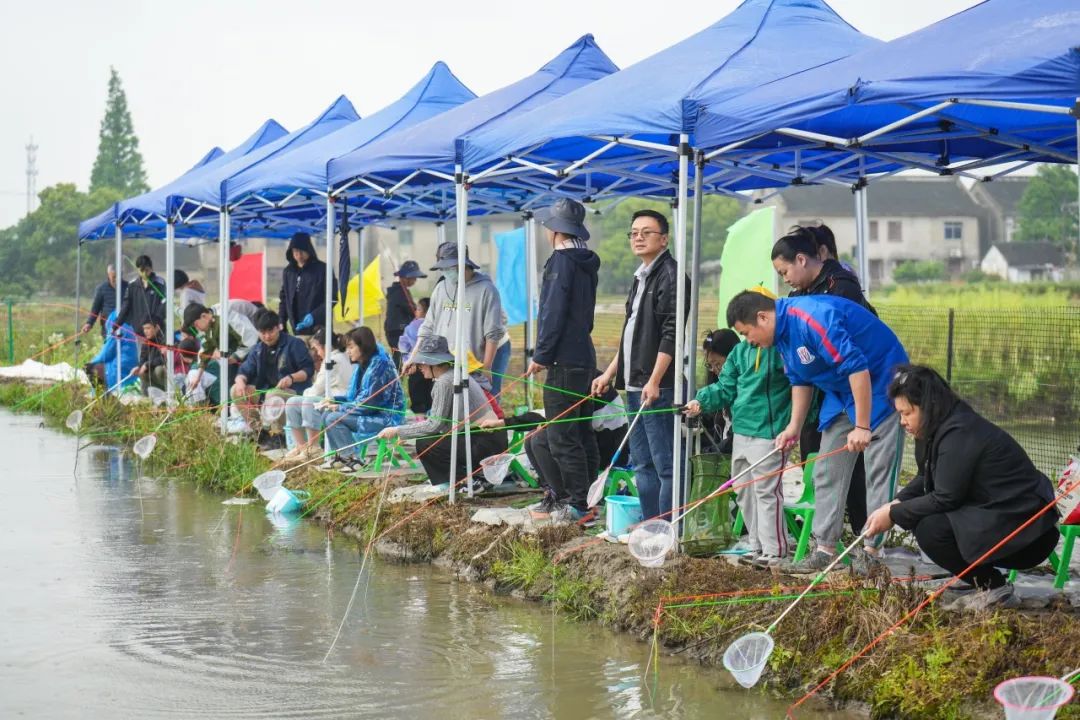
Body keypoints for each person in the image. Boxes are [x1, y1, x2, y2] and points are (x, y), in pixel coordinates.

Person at [725, 290, 908, 575]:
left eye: (747, 333)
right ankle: (825, 549)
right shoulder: (781, 338)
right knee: (825, 469)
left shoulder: (812, 318)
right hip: (842, 391)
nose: (749, 341)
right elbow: (800, 380)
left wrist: (862, 426)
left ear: (763, 317)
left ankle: (872, 551)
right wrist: (793, 428)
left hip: (880, 383)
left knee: (878, 471)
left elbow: (857, 366)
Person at [864, 365, 1059, 611]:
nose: (902, 421)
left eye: (907, 413)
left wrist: (893, 515)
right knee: (920, 516)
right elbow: (927, 476)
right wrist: (895, 503)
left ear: (929, 406)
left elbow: (946, 497)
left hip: (1027, 533)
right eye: (900, 414)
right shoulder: (935, 429)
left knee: (930, 528)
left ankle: (994, 588)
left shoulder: (960, 432)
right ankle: (976, 579)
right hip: (997, 517)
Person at [773, 225, 876, 540]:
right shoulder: (798, 294)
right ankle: (823, 535)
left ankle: (864, 537)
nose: (784, 278)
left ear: (808, 257)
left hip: (849, 391)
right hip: (818, 393)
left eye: (785, 270)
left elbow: (850, 357)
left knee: (852, 466)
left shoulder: (841, 287)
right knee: (815, 465)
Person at [592, 209, 688, 522]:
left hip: (658, 386)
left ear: (664, 238)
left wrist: (656, 379)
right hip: (635, 384)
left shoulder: (672, 275)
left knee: (665, 463)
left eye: (646, 232)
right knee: (642, 461)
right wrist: (609, 372)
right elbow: (630, 334)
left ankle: (669, 527)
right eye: (634, 232)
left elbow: (671, 334)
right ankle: (651, 524)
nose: (638, 237)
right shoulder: (640, 276)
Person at [685, 289, 793, 568]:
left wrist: (793, 425)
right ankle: (757, 546)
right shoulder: (740, 352)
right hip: (743, 431)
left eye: (747, 332)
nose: (747, 339)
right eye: (742, 334)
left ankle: (776, 550)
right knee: (744, 489)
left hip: (770, 433)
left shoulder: (782, 349)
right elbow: (725, 387)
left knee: (767, 491)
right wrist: (701, 400)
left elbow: (803, 386)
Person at [526, 198, 602, 522]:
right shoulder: (585, 261)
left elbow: (552, 313)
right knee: (581, 432)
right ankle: (580, 499)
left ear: (555, 230)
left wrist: (541, 356)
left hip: (562, 362)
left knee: (560, 436)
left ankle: (576, 504)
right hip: (584, 357)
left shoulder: (561, 261)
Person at [381, 335, 507, 488]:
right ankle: (457, 479)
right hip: (493, 439)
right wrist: (410, 432)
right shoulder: (454, 374)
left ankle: (465, 482)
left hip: (483, 443)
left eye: (423, 363)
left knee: (425, 443)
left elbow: (434, 425)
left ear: (436, 364)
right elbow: (443, 425)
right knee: (430, 439)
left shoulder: (444, 382)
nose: (420, 367)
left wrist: (398, 431)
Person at [405, 242, 505, 391]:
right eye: (443, 268)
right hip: (441, 369)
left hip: (472, 370)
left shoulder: (486, 290)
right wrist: (412, 358)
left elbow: (493, 333)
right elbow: (427, 327)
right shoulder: (440, 288)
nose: (446, 271)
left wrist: (487, 367)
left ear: (464, 264)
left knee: (472, 410)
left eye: (449, 267)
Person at [319, 327, 405, 469]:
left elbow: (368, 404)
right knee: (326, 413)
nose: (348, 351)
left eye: (351, 347)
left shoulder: (380, 366)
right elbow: (357, 398)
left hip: (387, 417)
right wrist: (336, 401)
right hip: (371, 413)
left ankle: (354, 459)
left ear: (363, 346)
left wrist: (340, 407)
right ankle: (342, 456)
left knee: (334, 418)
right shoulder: (364, 365)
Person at [232, 308, 314, 447]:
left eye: (270, 331)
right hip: (266, 391)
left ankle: (279, 435)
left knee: (274, 395)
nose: (267, 336)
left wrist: (291, 378)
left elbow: (308, 370)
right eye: (263, 333)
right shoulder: (257, 349)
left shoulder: (294, 344)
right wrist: (240, 381)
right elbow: (244, 370)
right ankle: (258, 431)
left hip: (294, 392)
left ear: (278, 328)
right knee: (235, 390)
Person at [283, 327, 354, 461]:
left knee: (309, 402)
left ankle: (314, 448)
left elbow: (315, 391)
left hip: (340, 401)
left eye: (317, 349)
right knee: (292, 402)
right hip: (330, 398)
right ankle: (301, 447)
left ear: (324, 347)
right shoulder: (335, 356)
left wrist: (304, 393)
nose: (316, 353)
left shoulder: (333, 360)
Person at [182, 302, 257, 402]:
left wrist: (235, 356)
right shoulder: (207, 327)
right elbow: (206, 350)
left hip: (251, 358)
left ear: (204, 316)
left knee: (248, 388)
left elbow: (251, 338)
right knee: (233, 390)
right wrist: (198, 377)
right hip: (231, 361)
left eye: (196, 325)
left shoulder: (226, 316)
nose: (197, 328)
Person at [278, 232, 337, 336]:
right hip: (297, 328)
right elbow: (284, 299)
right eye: (296, 251)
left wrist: (314, 316)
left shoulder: (323, 270)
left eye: (302, 251)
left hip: (319, 328)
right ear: (291, 252)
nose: (299, 255)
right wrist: (281, 320)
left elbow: (333, 299)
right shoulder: (288, 272)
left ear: (309, 250)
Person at [700, 328, 740, 454]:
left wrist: (713, 452)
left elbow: (736, 438)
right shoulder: (715, 389)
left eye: (718, 364)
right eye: (710, 365)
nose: (714, 370)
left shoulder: (743, 390)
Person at [384, 260, 427, 368]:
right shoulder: (398, 292)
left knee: (400, 355)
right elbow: (411, 309)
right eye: (413, 278)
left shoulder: (400, 290)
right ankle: (395, 377)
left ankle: (399, 373)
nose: (415, 281)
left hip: (396, 329)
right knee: (399, 356)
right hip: (397, 330)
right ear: (405, 278)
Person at [84, 311, 139, 393]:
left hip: (122, 367)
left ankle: (100, 396)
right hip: (135, 365)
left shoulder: (117, 330)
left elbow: (106, 354)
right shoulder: (130, 328)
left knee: (90, 367)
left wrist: (93, 361)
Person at [115, 255, 166, 337]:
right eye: (142, 270)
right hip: (139, 331)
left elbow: (164, 305)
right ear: (137, 270)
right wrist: (116, 325)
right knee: (142, 350)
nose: (145, 273)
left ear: (151, 268)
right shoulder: (132, 285)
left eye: (147, 270)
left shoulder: (160, 283)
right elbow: (125, 307)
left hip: (157, 331)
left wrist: (156, 323)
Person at [400, 298, 433, 415]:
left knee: (418, 400)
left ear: (426, 311)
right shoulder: (437, 324)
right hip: (433, 368)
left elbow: (403, 345)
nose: (416, 312)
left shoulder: (412, 326)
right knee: (431, 398)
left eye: (418, 309)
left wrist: (407, 361)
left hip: (415, 368)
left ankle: (420, 420)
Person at [82, 265, 128, 338]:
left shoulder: (128, 287)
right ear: (108, 275)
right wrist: (89, 323)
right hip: (108, 329)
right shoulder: (101, 289)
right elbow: (95, 308)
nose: (116, 279)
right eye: (114, 277)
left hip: (125, 329)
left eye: (118, 277)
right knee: (108, 348)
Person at [135, 320, 168, 393]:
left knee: (159, 370)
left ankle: (167, 393)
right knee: (142, 373)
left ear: (157, 328)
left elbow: (163, 359)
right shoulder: (146, 342)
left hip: (164, 372)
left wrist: (147, 364)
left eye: (148, 328)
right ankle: (147, 398)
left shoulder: (165, 339)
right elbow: (142, 358)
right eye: (144, 329)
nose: (145, 331)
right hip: (151, 371)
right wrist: (139, 367)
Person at [491, 311, 512, 396]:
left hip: (498, 346)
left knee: (493, 388)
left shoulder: (489, 298)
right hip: (470, 348)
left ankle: (494, 409)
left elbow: (503, 319)